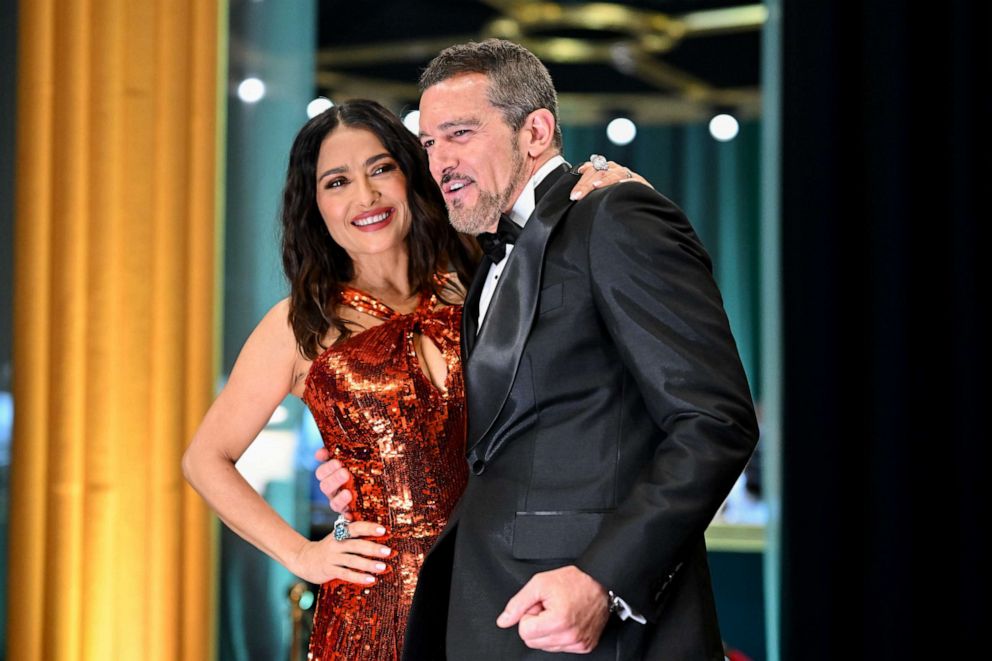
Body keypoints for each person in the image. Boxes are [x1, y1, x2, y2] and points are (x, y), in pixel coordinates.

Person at [319, 39, 759, 660]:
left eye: (460, 134)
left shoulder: (615, 215)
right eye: (428, 143)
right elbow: (500, 438)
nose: (439, 160)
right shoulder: (484, 263)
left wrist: (603, 580)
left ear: (536, 131)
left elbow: (715, 422)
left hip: (587, 625)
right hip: (483, 609)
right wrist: (372, 467)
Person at [182, 98, 645, 659]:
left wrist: (611, 184)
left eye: (381, 169)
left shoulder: (482, 279)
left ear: (410, 176)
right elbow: (204, 459)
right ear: (315, 207)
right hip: (372, 608)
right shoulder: (297, 325)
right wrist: (303, 555)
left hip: (501, 581)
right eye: (336, 182)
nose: (366, 196)